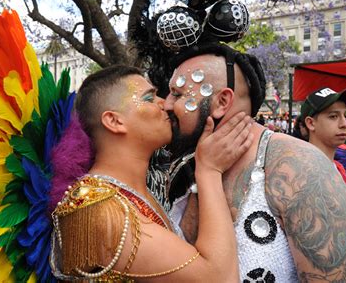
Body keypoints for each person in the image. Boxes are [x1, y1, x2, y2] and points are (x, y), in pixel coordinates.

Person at [164, 44, 346, 282]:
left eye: (177, 94)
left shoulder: (300, 167)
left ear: (222, 102)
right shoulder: (190, 165)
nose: (166, 104)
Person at [50, 65, 253, 281]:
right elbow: (220, 279)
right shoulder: (96, 210)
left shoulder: (130, 194)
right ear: (114, 121)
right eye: (149, 98)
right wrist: (209, 171)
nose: (165, 104)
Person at [301, 87, 346, 191]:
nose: (345, 124)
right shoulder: (300, 173)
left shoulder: (339, 169)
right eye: (333, 116)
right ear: (311, 123)